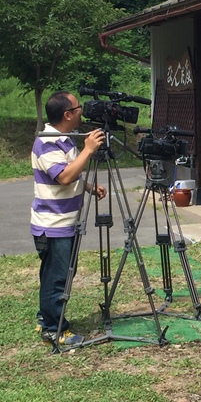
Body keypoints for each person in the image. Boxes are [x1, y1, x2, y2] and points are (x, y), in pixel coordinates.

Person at [31, 91, 107, 346]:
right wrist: (88, 150)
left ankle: (46, 317)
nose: (81, 112)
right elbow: (62, 176)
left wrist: (88, 187)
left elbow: (70, 174)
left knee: (54, 274)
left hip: (63, 223)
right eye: (78, 108)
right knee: (57, 277)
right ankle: (54, 329)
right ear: (67, 114)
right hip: (53, 226)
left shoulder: (64, 140)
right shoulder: (47, 142)